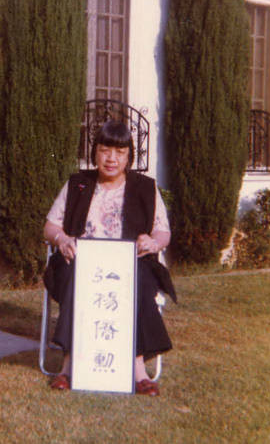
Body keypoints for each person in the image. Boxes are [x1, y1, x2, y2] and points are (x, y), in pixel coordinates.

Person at [43, 120, 177, 396]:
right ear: (95, 153)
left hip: (130, 264)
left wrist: (153, 242)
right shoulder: (78, 184)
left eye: (119, 152)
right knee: (73, 277)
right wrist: (63, 240)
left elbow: (163, 231)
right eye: (105, 151)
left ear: (129, 156)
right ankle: (68, 368)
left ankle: (138, 371)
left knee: (138, 280)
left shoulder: (145, 187)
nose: (111, 159)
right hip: (81, 262)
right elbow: (51, 227)